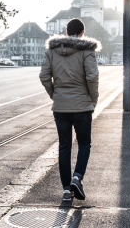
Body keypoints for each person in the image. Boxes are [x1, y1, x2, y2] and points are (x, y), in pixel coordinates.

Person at [39, 18, 100, 202]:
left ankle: (66, 190)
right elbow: (92, 76)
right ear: (82, 33)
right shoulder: (87, 50)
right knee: (84, 144)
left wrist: (54, 95)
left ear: (66, 32)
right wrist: (93, 98)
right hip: (82, 106)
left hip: (61, 107)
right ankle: (77, 177)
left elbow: (43, 76)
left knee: (64, 146)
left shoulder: (52, 51)